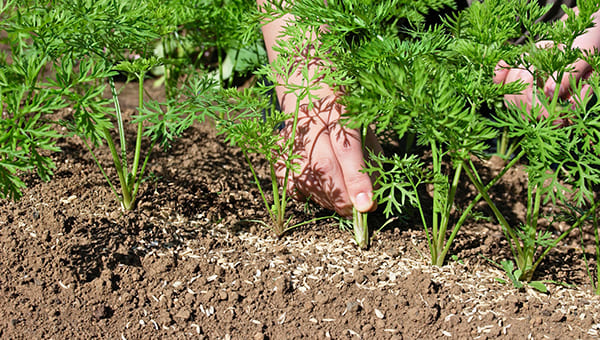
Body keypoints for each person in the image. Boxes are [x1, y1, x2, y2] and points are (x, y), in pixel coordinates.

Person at [257, 0, 600, 218]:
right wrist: (308, 74)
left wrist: (592, 33)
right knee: (324, 156)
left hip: (555, 36)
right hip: (379, 51)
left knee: (546, 182)